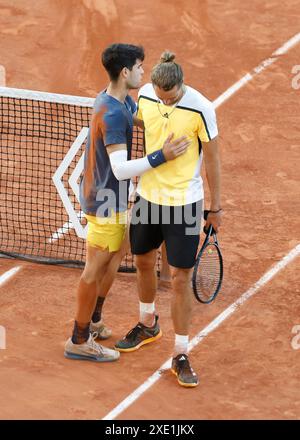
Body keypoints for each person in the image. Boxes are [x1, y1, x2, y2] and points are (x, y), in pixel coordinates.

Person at [64, 44, 190, 362]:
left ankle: (93, 321)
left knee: (114, 256)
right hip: (104, 201)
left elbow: (141, 122)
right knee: (94, 268)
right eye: (139, 67)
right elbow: (120, 168)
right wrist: (163, 156)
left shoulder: (117, 100)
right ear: (125, 72)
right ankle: (78, 339)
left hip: (112, 197)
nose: (142, 72)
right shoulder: (113, 113)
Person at [115, 51, 222, 386]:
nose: (166, 101)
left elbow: (213, 161)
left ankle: (181, 352)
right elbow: (146, 121)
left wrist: (216, 208)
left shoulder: (201, 108)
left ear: (181, 84)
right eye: (161, 97)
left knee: (179, 278)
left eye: (171, 97)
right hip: (147, 197)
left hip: (185, 204)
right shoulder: (146, 94)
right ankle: (148, 323)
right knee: (143, 262)